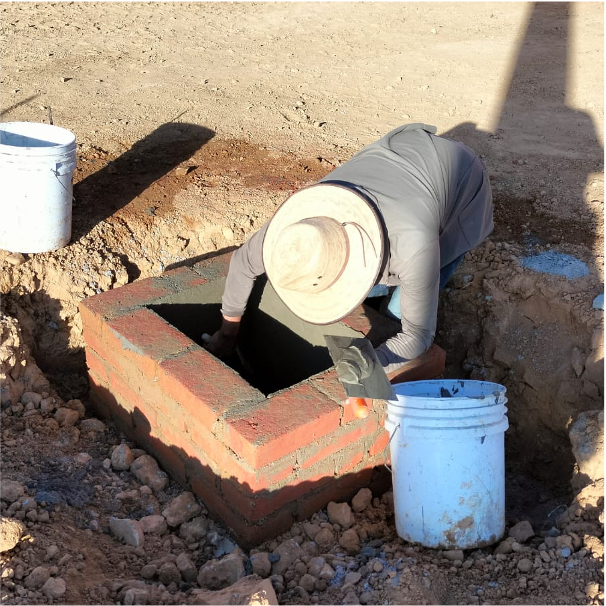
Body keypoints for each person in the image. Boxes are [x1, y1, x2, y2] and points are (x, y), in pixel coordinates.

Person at [205, 123, 493, 382]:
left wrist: (369, 363)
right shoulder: (298, 229)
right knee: (376, 295)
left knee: (397, 314)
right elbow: (242, 263)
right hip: (399, 157)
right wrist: (227, 333)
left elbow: (417, 334)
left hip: (461, 183)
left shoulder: (414, 246)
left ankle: (390, 322)